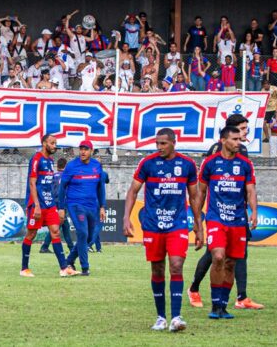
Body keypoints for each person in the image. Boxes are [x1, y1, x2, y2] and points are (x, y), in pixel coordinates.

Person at [123, 128, 201, 332]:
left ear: (174, 142)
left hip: (177, 224)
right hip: (152, 224)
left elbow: (194, 197)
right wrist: (126, 217)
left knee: (176, 265)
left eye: (163, 143)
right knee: (157, 269)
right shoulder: (148, 163)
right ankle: (161, 317)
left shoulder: (187, 164)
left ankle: (176, 317)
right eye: (157, 143)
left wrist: (199, 225)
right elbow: (133, 191)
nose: (159, 147)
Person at [195, 126, 258, 320]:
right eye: (235, 139)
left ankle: (223, 305)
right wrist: (198, 222)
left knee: (231, 263)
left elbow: (250, 190)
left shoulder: (246, 164)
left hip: (238, 221)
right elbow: (201, 192)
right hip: (216, 218)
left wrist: (254, 211)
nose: (239, 142)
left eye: (240, 139)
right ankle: (215, 304)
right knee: (219, 257)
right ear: (223, 140)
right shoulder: (210, 163)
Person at [20, 134, 79, 278]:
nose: (55, 146)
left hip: (50, 203)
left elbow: (49, 185)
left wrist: (58, 206)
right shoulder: (36, 159)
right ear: (44, 143)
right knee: (31, 234)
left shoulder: (50, 160)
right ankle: (24, 268)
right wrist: (36, 205)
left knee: (55, 231)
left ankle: (64, 268)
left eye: (56, 143)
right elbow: (32, 183)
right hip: (37, 204)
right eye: (52, 143)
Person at [59, 140, 108, 276]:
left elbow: (101, 188)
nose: (82, 151)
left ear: (91, 151)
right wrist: (61, 207)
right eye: (81, 149)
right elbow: (62, 186)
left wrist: (102, 207)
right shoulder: (71, 166)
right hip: (75, 204)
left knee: (90, 236)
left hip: (92, 206)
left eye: (86, 149)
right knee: (82, 232)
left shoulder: (97, 166)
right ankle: (85, 267)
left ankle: (69, 260)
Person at [39, 157, 74, 253]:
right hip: (62, 204)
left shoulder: (53, 176)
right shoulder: (67, 176)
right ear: (66, 166)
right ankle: (45, 246)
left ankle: (71, 248)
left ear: (57, 166)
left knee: (62, 226)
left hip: (53, 203)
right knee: (59, 225)